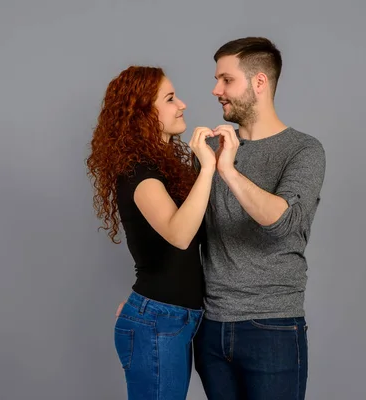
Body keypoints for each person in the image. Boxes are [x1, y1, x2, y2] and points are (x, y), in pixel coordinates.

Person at [192, 37, 326, 400]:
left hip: (272, 326)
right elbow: (187, 234)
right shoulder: (209, 152)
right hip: (212, 327)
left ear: (259, 82)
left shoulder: (303, 150)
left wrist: (230, 172)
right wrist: (146, 297)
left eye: (226, 79)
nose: (215, 89)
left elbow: (282, 222)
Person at [86, 66, 216, 400]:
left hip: (167, 320)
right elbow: (180, 234)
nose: (182, 104)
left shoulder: (164, 168)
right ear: (143, 113)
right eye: (170, 99)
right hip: (159, 321)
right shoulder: (140, 175)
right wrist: (209, 168)